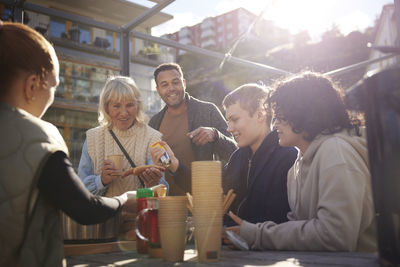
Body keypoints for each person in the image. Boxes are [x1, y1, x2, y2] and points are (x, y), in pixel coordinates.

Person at [0, 22, 131, 267]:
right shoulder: (38, 136)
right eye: (53, 86)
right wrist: (125, 199)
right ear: (31, 86)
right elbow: (85, 209)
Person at [225, 72, 377, 252]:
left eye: (281, 117)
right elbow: (298, 227)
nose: (274, 125)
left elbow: (335, 236)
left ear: (305, 114)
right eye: (275, 117)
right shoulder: (299, 162)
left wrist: (258, 234)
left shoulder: (336, 152)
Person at [149, 63, 237, 195]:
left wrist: (215, 135)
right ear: (158, 90)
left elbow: (236, 152)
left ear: (184, 83)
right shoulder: (154, 122)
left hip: (204, 200)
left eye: (175, 82)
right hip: (167, 205)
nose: (171, 88)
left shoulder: (208, 111)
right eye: (164, 85)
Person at [78, 76, 168, 197]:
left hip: (140, 214)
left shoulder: (153, 138)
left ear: (137, 106)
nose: (124, 113)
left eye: (130, 105)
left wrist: (151, 185)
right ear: (106, 108)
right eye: (116, 106)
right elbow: (79, 189)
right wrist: (101, 180)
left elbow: (164, 191)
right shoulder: (93, 138)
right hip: (103, 215)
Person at [222, 84, 297, 226]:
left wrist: (234, 229)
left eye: (235, 119)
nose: (229, 128)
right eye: (228, 121)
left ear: (260, 114)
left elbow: (280, 219)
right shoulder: (236, 158)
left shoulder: (288, 157)